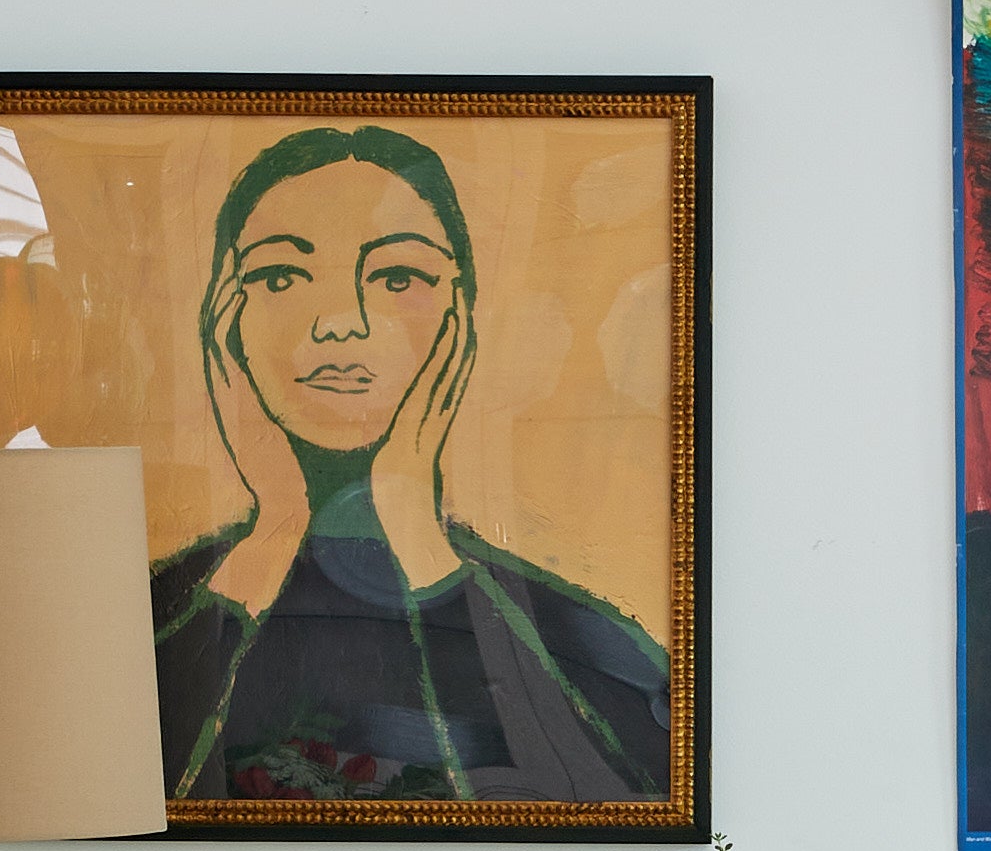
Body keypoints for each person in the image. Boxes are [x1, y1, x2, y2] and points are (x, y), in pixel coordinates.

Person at [153, 123, 672, 805]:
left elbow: (611, 811)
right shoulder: (153, 612)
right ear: (224, 324)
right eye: (280, 277)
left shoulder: (580, 637)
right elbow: (121, 796)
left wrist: (415, 528)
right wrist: (274, 530)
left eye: (398, 277)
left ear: (462, 317)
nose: (340, 321)